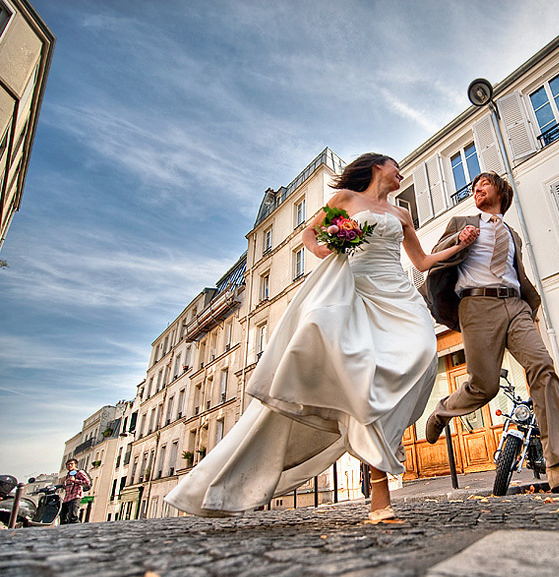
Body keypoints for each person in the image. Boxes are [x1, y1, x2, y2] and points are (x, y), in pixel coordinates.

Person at [165, 153, 474, 522]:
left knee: (423, 352)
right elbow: (310, 233)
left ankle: (379, 438)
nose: (400, 173)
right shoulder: (345, 199)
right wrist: (328, 249)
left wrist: (459, 245)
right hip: (356, 291)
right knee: (366, 377)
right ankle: (379, 495)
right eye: (395, 166)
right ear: (377, 166)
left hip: (398, 297)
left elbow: (421, 262)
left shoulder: (401, 214)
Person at [422, 171, 559, 493]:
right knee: (484, 386)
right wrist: (459, 240)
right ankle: (442, 411)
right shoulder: (462, 222)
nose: (476, 189)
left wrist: (528, 305)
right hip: (477, 305)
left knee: (543, 366)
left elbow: (516, 271)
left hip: (515, 305)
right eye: (474, 187)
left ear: (501, 191)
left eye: (483, 184)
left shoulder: (514, 235)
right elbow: (434, 255)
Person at [60, 459, 90, 524]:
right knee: (63, 517)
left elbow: (87, 482)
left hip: (75, 496)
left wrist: (75, 480)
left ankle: (77, 527)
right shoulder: (68, 475)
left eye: (71, 464)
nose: (69, 465)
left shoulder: (79, 472)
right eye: (68, 464)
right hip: (67, 498)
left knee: (73, 516)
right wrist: (63, 484)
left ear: (75, 465)